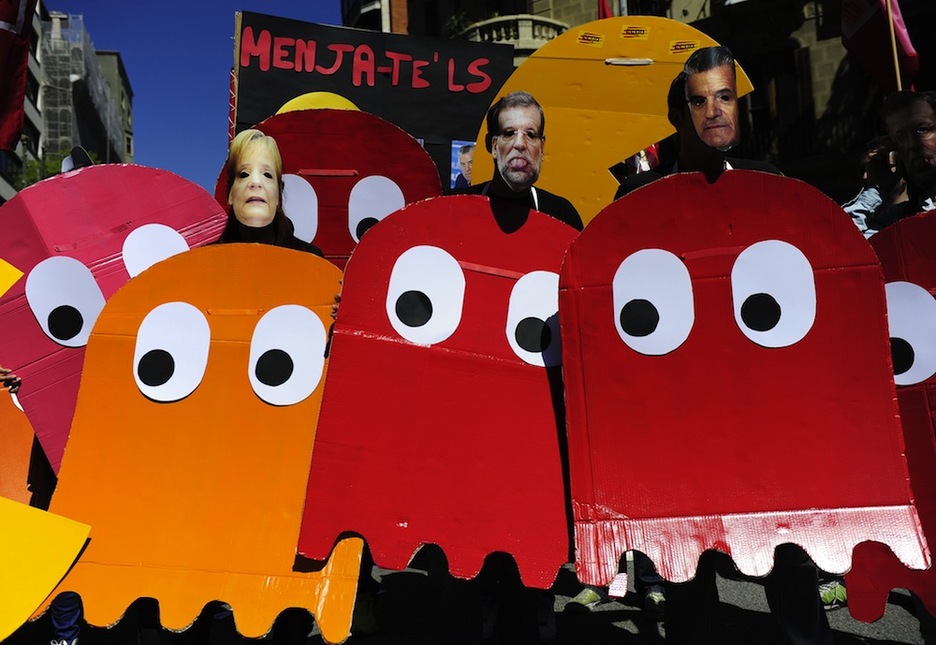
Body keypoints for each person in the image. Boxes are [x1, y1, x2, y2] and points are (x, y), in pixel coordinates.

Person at [455, 90, 583, 232]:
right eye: (509, 133)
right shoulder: (455, 208)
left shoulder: (563, 217)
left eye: (530, 134)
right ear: (493, 145)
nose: (520, 144)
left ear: (541, 147)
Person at [844, 91, 936, 237]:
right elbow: (838, 243)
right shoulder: (900, 221)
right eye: (901, 136)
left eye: (923, 129)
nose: (912, 145)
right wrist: (874, 190)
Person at [218, 128, 323, 256]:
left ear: (279, 194)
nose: (255, 183)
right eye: (244, 174)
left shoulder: (311, 261)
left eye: (267, 175)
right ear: (230, 193)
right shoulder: (205, 262)